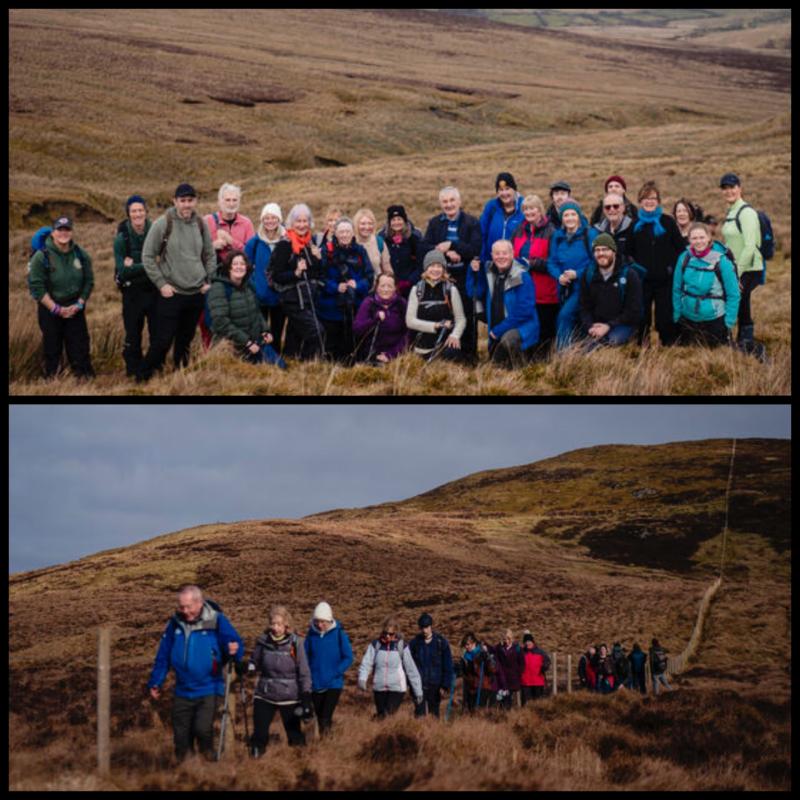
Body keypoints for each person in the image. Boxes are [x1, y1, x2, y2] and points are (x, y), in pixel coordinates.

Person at [147, 585, 243, 762]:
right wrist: (156, 682)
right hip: (182, 689)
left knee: (202, 729)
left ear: (199, 603)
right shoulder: (174, 623)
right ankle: (186, 770)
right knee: (181, 735)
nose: (184, 611)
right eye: (181, 607)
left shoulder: (216, 620)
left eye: (188, 606)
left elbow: (234, 642)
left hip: (209, 687)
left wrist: (234, 649)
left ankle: (208, 765)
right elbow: (163, 655)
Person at [138, 183, 216, 381]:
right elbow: (147, 256)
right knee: (163, 340)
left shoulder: (200, 223)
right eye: (182, 200)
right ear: (175, 201)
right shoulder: (163, 223)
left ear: (195, 201)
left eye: (190, 200)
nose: (186, 205)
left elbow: (209, 253)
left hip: (196, 293)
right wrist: (161, 284)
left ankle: (180, 375)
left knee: (185, 339)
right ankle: (144, 375)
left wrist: (209, 279)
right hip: (171, 293)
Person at [27, 215, 95, 379]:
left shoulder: (80, 254)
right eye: (60, 229)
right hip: (50, 309)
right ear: (53, 233)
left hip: (75, 308)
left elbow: (89, 280)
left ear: (71, 232)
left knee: (80, 347)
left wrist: (79, 303)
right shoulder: (41, 257)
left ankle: (84, 379)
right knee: (52, 348)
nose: (63, 233)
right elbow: (37, 287)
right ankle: (53, 381)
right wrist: (56, 309)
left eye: (67, 229)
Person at [422, 186, 482, 363]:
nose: (449, 205)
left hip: (465, 277)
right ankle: (447, 354)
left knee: (466, 315)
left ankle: (470, 356)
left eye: (452, 200)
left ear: (459, 201)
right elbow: (424, 247)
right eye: (445, 202)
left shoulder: (471, 222)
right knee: (445, 315)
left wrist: (453, 245)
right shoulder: (435, 223)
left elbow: (475, 248)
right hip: (441, 277)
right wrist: (445, 253)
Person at [248, 605, 313, 756]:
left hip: (289, 696)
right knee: (259, 733)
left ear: (286, 625)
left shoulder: (296, 643)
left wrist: (306, 696)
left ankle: (299, 763)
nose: (275, 628)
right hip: (265, 693)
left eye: (279, 624)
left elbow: (304, 671)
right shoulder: (263, 641)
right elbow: (254, 661)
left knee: (295, 735)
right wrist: (249, 667)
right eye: (273, 623)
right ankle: (254, 761)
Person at [628, 180, 686, 347]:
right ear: (640, 201)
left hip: (665, 280)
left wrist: (670, 268)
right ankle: (642, 344)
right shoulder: (635, 225)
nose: (649, 201)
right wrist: (635, 269)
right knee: (642, 315)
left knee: (665, 315)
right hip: (642, 281)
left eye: (653, 198)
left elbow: (680, 249)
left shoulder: (668, 222)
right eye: (645, 198)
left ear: (658, 201)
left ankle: (667, 344)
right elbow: (628, 252)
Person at [468, 239, 539, 368]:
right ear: (492, 255)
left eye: (505, 253)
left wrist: (499, 330)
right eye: (497, 253)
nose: (501, 257)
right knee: (496, 365)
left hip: (520, 328)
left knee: (508, 341)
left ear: (512, 254)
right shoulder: (489, 272)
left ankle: (521, 369)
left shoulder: (522, 276)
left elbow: (525, 311)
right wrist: (472, 272)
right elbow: (474, 292)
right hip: (496, 330)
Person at [200, 184, 255, 349]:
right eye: (227, 199)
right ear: (219, 201)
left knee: (235, 318)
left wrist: (231, 241)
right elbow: (195, 250)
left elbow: (250, 254)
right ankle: (210, 353)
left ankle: (234, 352)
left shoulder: (246, 223)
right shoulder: (207, 221)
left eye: (234, 200)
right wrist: (212, 245)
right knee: (208, 319)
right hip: (213, 278)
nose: (231, 203)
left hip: (237, 281)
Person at [268, 203, 326, 360]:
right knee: (316, 331)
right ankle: (308, 364)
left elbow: (316, 274)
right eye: (298, 221)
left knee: (294, 337)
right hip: (293, 301)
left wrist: (318, 259)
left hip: (309, 299)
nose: (302, 225)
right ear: (291, 223)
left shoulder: (310, 244)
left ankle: (290, 364)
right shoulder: (284, 245)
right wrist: (296, 273)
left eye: (305, 221)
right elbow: (277, 275)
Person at [206, 250, 283, 366]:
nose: (239, 267)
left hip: (255, 342)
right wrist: (247, 342)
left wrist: (265, 330)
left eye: (242, 264)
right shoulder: (218, 288)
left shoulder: (248, 285)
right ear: (228, 267)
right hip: (233, 346)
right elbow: (220, 322)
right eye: (235, 264)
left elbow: (256, 312)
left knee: (280, 367)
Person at [673, 222, 740, 348]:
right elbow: (676, 288)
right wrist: (677, 313)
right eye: (694, 238)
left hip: (715, 319)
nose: (698, 241)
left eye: (702, 237)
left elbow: (733, 294)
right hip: (687, 318)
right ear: (689, 240)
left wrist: (728, 323)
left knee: (716, 356)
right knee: (688, 357)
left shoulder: (722, 261)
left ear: (709, 238)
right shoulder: (684, 258)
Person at [720, 172, 764, 355]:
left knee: (737, 301)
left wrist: (736, 274)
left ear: (740, 188)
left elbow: (750, 246)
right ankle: (740, 342)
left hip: (748, 269)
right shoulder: (732, 211)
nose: (729, 191)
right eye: (725, 188)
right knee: (740, 303)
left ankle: (749, 345)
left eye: (732, 187)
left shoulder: (746, 213)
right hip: (735, 269)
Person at [318, 217, 374, 363]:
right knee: (333, 345)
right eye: (341, 231)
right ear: (335, 233)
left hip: (355, 306)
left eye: (347, 231)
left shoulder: (360, 251)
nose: (344, 235)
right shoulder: (326, 251)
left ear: (353, 233)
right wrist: (335, 287)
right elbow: (320, 278)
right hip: (331, 309)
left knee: (354, 342)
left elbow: (369, 277)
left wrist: (357, 285)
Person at [114, 194, 157, 377]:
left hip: (154, 290)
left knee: (157, 332)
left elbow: (164, 262)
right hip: (132, 292)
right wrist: (149, 264)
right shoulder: (121, 238)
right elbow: (122, 272)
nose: (138, 214)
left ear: (146, 212)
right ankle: (133, 370)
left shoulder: (156, 232)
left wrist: (135, 266)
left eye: (140, 210)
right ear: (128, 214)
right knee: (133, 334)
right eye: (134, 211)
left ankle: (154, 367)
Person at [511, 194, 558, 358]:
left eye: (532, 208)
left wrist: (532, 264)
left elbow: (554, 263)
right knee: (527, 329)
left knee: (544, 331)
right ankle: (527, 363)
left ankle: (545, 364)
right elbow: (511, 255)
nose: (529, 212)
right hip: (523, 290)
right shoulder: (518, 230)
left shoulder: (551, 232)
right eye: (526, 209)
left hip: (544, 292)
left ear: (540, 210)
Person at [546, 200, 598, 348]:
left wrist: (577, 273)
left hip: (583, 287)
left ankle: (562, 354)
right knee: (575, 320)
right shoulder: (558, 236)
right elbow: (551, 262)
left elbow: (597, 262)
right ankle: (578, 353)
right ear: (562, 218)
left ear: (579, 216)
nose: (569, 218)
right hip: (564, 287)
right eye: (566, 215)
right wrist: (559, 276)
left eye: (573, 214)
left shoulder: (590, 234)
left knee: (565, 316)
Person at [578, 233, 642, 350]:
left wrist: (608, 326)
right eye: (597, 250)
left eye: (605, 249)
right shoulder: (588, 275)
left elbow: (634, 310)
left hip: (622, 324)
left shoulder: (629, 275)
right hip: (596, 324)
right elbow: (584, 306)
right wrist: (589, 326)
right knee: (585, 347)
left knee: (611, 341)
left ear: (614, 251)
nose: (601, 253)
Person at [303, 601, 353, 738]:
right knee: (321, 718)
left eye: (323, 622)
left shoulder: (339, 634)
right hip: (315, 684)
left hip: (334, 684)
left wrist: (336, 672)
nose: (320, 625)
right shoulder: (311, 635)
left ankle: (326, 743)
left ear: (329, 620)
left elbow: (348, 657)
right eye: (317, 621)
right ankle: (327, 743)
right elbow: (304, 658)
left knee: (325, 716)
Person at [406, 250, 466, 362]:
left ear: (443, 269)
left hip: (443, 344)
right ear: (426, 268)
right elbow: (410, 321)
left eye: (439, 266)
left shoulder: (450, 289)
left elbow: (460, 319)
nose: (435, 270)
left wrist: (455, 335)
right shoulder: (417, 290)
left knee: (452, 354)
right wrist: (436, 325)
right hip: (420, 346)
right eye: (432, 266)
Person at [358, 617, 423, 719]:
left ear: (396, 633)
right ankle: (376, 733)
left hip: (397, 688)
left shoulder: (402, 646)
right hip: (379, 687)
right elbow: (366, 663)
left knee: (387, 714)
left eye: (391, 634)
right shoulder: (376, 645)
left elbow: (411, 670)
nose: (387, 636)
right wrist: (362, 678)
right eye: (385, 633)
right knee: (381, 716)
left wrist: (418, 690)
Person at [245, 203, 287, 355]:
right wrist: (253, 285)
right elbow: (245, 267)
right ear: (262, 220)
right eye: (266, 218)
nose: (270, 221)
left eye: (273, 217)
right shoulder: (254, 242)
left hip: (279, 296)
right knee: (260, 332)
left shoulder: (286, 240)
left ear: (279, 219)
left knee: (277, 330)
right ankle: (261, 358)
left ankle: (276, 359)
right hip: (260, 297)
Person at [352, 273, 409, 363]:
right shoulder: (368, 303)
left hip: (396, 354)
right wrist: (374, 320)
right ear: (376, 287)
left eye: (389, 286)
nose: (385, 290)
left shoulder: (401, 304)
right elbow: (357, 329)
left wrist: (392, 354)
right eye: (382, 286)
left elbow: (408, 333)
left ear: (395, 288)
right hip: (371, 354)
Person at [408, 613, 455, 718]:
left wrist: (445, 685)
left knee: (434, 714)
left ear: (431, 626)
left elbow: (448, 665)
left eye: (427, 627)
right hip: (418, 685)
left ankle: (434, 733)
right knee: (419, 714)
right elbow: (408, 666)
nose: (425, 630)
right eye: (422, 628)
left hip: (435, 685)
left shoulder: (441, 642)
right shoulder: (414, 644)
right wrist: (409, 684)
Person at [379, 205, 426, 298]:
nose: (396, 222)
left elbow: (421, 263)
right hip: (389, 287)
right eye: (393, 220)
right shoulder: (383, 239)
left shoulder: (414, 238)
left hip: (411, 286)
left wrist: (409, 281)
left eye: (399, 219)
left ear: (404, 221)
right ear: (389, 222)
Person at [479, 172, 525, 263]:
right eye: (501, 190)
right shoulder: (491, 207)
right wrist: (482, 259)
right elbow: (482, 234)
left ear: (514, 190)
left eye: (507, 189)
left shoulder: (524, 207)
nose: (504, 193)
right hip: (492, 262)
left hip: (516, 264)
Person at [459, 633, 500, 711]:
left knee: (480, 711)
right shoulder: (465, 657)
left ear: (474, 643)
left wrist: (487, 659)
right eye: (465, 645)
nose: (466, 647)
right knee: (471, 711)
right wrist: (459, 670)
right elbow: (465, 674)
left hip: (483, 687)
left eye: (468, 644)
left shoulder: (481, 653)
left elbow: (493, 669)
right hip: (471, 688)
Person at [593, 193, 636, 265]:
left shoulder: (634, 228)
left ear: (623, 208)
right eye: (607, 207)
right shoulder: (597, 231)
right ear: (603, 210)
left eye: (616, 206)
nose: (612, 209)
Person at [353, 208, 392, 277]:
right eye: (363, 224)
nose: (367, 227)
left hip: (376, 285)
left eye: (370, 223)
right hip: (356, 286)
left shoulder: (379, 242)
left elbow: (387, 269)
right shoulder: (350, 242)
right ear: (356, 224)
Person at [492, 630, 524, 710]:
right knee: (501, 697)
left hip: (512, 678)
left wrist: (518, 673)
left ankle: (507, 714)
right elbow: (494, 654)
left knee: (508, 697)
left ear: (512, 639)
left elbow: (522, 663)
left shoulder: (517, 649)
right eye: (505, 639)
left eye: (508, 639)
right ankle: (502, 714)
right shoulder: (500, 648)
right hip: (502, 677)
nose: (507, 641)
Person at [519, 633, 550, 704]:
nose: (528, 643)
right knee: (525, 703)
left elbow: (547, 661)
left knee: (538, 703)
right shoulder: (521, 652)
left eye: (529, 641)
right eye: (526, 641)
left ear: (533, 642)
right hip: (525, 682)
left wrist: (544, 667)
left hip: (538, 681)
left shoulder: (540, 652)